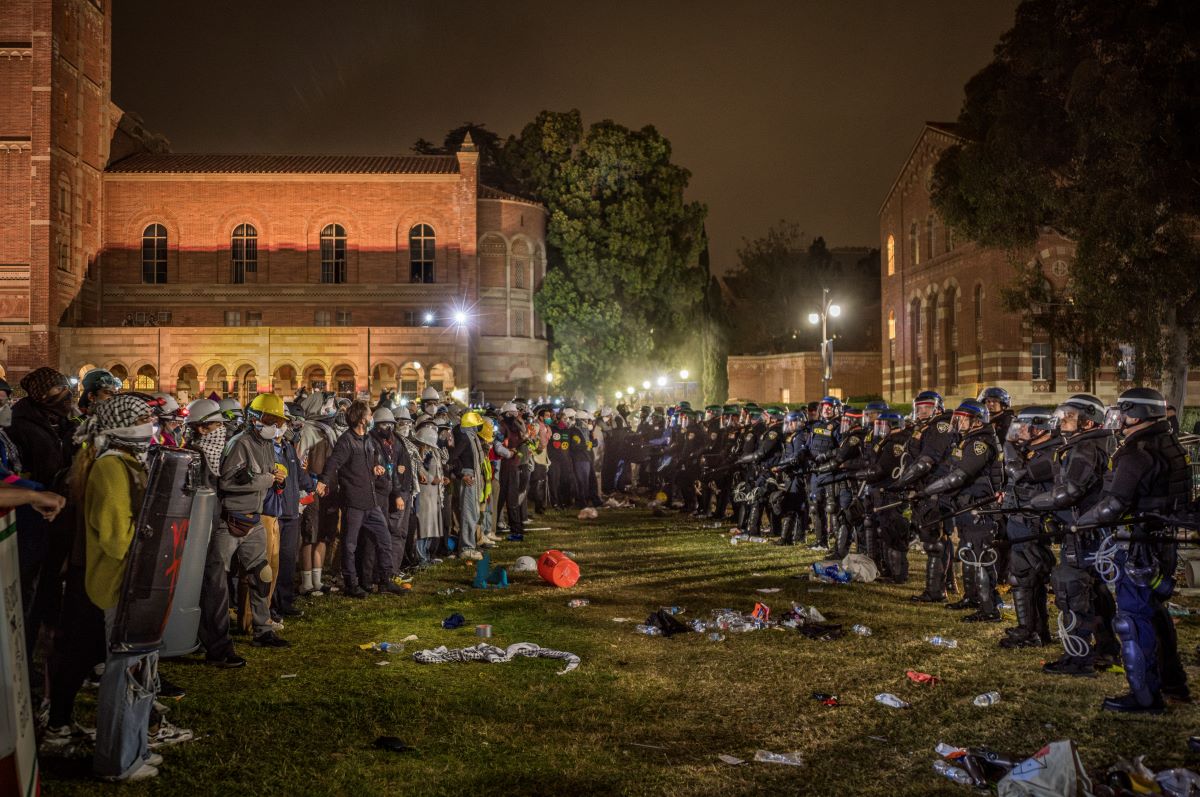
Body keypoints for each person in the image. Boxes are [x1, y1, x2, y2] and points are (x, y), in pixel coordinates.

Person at [80, 393, 186, 781]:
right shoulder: (110, 467)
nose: (151, 424)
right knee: (124, 673)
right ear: (124, 427)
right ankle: (116, 761)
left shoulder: (131, 462)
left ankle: (136, 748)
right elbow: (114, 536)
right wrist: (148, 545)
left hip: (140, 580)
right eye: (142, 419)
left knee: (142, 670)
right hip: (120, 582)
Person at [1073, 387, 1190, 713]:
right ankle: (1173, 683)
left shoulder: (1137, 451)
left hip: (1139, 548)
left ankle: (1144, 697)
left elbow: (1113, 505)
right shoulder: (1167, 443)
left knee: (1132, 621)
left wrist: (1079, 524)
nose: (1119, 417)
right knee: (1156, 613)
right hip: (1159, 544)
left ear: (1136, 414)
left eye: (1123, 411)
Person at [1030, 394, 1119, 676]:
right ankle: (1107, 650)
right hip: (1092, 529)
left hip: (1082, 530)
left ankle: (1079, 658)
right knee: (1097, 589)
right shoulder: (1087, 445)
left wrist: (1035, 504)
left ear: (1088, 420)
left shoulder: (1085, 449)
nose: (1063, 420)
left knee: (1071, 587)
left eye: (1070, 415)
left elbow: (1070, 491)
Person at [918, 399, 1003, 622]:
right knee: (967, 551)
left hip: (980, 507)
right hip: (966, 505)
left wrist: (929, 490)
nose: (958, 423)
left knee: (980, 556)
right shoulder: (965, 441)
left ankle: (989, 608)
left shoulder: (980, 444)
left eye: (962, 419)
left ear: (976, 421)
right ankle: (972, 598)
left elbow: (958, 476)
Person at [217, 393, 289, 648]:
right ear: (256, 418)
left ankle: (263, 629)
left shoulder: (266, 445)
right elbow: (228, 481)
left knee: (262, 575)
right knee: (217, 580)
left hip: (253, 518)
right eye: (271, 419)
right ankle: (215, 634)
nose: (276, 425)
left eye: (277, 421)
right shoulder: (240, 443)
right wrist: (268, 480)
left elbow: (263, 474)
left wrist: (277, 476)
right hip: (230, 522)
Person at [315, 400, 405, 598]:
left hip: (372, 503)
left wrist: (375, 467)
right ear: (362, 419)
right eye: (370, 414)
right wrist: (322, 481)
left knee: (385, 540)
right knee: (350, 545)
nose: (372, 417)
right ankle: (351, 584)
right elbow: (333, 463)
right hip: (354, 503)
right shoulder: (347, 440)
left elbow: (370, 460)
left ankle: (385, 581)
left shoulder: (367, 440)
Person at [185, 398, 245, 668]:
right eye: (217, 425)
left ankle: (215, 644)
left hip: (208, 533)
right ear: (201, 429)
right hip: (192, 535)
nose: (223, 430)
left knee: (213, 586)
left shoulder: (216, 455)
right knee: (208, 586)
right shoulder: (192, 458)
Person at [998, 406, 1061, 649]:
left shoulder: (1051, 452)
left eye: (1025, 426)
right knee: (1022, 577)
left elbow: (1022, 475)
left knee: (1030, 574)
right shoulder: (1031, 450)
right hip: (1019, 518)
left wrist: (1010, 450)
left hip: (1034, 521)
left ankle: (1033, 631)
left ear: (1039, 427)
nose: (1020, 431)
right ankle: (1033, 629)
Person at [894, 391, 958, 603]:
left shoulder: (940, 426)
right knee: (940, 539)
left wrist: (901, 483)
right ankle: (948, 584)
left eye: (927, 407)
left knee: (934, 542)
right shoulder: (923, 427)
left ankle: (935, 591)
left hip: (935, 489)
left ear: (937, 408)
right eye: (919, 407)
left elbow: (926, 460)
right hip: (926, 488)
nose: (922, 411)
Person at [295, 391, 339, 596]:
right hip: (312, 490)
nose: (331, 409)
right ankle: (306, 582)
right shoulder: (306, 431)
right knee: (310, 535)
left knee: (323, 534)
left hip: (329, 489)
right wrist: (311, 485)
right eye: (327, 405)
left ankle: (317, 580)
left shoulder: (328, 431)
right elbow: (301, 462)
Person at [448, 409, 488, 561]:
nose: (479, 427)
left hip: (472, 475)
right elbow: (452, 458)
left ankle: (469, 545)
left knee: (472, 513)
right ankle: (466, 548)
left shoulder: (469, 437)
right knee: (469, 513)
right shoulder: (465, 438)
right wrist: (461, 474)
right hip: (469, 476)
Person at [412, 423, 445, 564]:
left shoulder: (430, 452)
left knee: (430, 527)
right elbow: (420, 471)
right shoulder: (420, 454)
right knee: (423, 528)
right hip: (425, 495)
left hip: (433, 495)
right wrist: (433, 479)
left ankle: (426, 554)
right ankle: (421, 557)